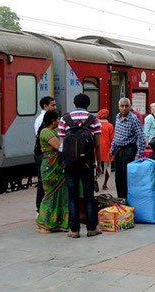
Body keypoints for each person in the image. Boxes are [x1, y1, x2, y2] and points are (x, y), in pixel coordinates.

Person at [58, 93, 102, 238]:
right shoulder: (94, 120)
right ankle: (91, 228)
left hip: (70, 165)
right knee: (89, 195)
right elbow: (97, 145)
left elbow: (62, 145)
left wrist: (63, 162)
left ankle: (74, 230)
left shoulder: (65, 119)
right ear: (88, 105)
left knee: (72, 196)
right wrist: (99, 164)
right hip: (87, 164)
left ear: (74, 104)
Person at [36, 110, 69, 233]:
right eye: (57, 119)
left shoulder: (55, 131)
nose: (59, 121)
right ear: (52, 121)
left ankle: (59, 223)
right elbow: (60, 146)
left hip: (58, 167)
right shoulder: (45, 132)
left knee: (62, 194)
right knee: (50, 194)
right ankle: (45, 224)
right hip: (49, 168)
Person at [109, 98, 145, 199]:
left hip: (129, 151)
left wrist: (138, 154)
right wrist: (112, 148)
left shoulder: (134, 119)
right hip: (118, 151)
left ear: (130, 107)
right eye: (122, 106)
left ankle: (129, 201)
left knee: (127, 179)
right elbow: (117, 135)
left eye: (126, 106)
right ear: (118, 107)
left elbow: (141, 137)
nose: (124, 108)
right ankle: (121, 200)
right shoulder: (117, 117)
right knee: (118, 178)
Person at [34, 96, 57, 213]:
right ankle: (40, 208)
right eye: (53, 105)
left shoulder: (42, 118)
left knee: (43, 181)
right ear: (45, 106)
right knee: (43, 182)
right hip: (43, 155)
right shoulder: (44, 119)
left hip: (42, 154)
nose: (55, 107)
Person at [97, 109, 114, 191]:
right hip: (107, 148)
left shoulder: (96, 125)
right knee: (107, 166)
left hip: (96, 148)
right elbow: (112, 139)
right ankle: (104, 184)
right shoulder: (110, 126)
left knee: (96, 165)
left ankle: (95, 180)